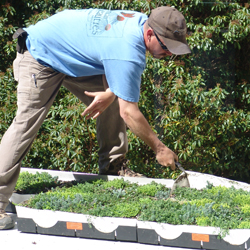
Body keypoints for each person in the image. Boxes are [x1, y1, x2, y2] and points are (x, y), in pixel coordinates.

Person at [0, 6, 191, 229]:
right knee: (25, 125)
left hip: (71, 56)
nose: (170, 54)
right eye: (167, 47)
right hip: (40, 54)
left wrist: (111, 93)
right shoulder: (128, 49)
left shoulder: (141, 22)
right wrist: (159, 149)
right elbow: (129, 113)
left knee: (115, 97)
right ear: (150, 35)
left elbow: (110, 58)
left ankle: (112, 165)